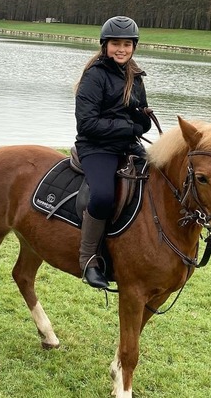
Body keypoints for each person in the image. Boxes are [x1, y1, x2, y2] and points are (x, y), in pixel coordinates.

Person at [74, 15, 152, 289]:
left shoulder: (135, 75)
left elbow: (140, 120)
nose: (121, 49)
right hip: (96, 147)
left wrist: (140, 120)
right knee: (104, 196)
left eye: (127, 44)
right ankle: (89, 260)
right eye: (116, 44)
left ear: (134, 46)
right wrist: (128, 126)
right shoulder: (95, 76)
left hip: (127, 146)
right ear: (105, 45)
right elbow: (87, 123)